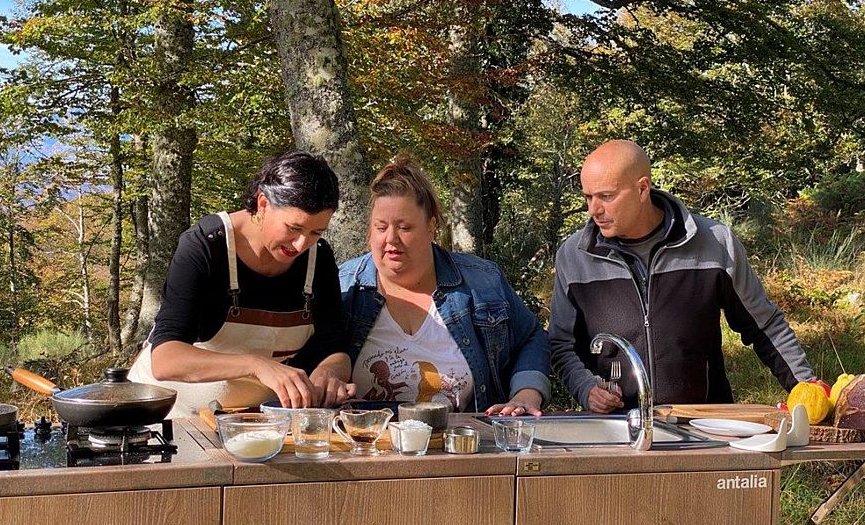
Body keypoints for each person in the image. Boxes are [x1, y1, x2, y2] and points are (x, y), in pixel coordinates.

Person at [549, 140, 815, 413]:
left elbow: (765, 327)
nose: (594, 210)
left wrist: (809, 389)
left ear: (642, 189)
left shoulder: (715, 243)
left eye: (606, 196)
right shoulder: (574, 256)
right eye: (588, 197)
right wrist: (586, 388)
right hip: (613, 431)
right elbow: (561, 345)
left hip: (705, 426)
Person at [129, 150, 354, 417]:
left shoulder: (319, 258)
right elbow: (166, 359)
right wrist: (257, 366)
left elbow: (335, 348)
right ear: (262, 203)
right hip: (165, 413)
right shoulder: (205, 245)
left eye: (316, 232)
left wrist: (328, 373)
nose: (301, 244)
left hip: (247, 422)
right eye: (294, 228)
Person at [339, 157, 551, 416]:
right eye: (380, 227)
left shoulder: (482, 282)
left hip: (462, 445)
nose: (390, 239)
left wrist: (526, 393)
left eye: (404, 227)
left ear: (432, 226)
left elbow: (531, 337)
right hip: (367, 446)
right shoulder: (344, 286)